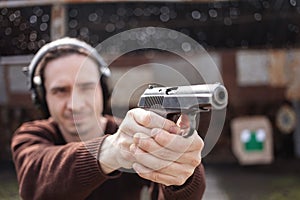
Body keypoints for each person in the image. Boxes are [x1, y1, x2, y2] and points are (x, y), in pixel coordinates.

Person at [11, 37, 206, 200]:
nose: (75, 104)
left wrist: (182, 177)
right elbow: (35, 183)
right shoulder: (30, 136)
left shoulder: (132, 134)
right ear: (42, 97)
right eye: (60, 91)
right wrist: (113, 150)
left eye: (86, 88)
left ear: (103, 90)